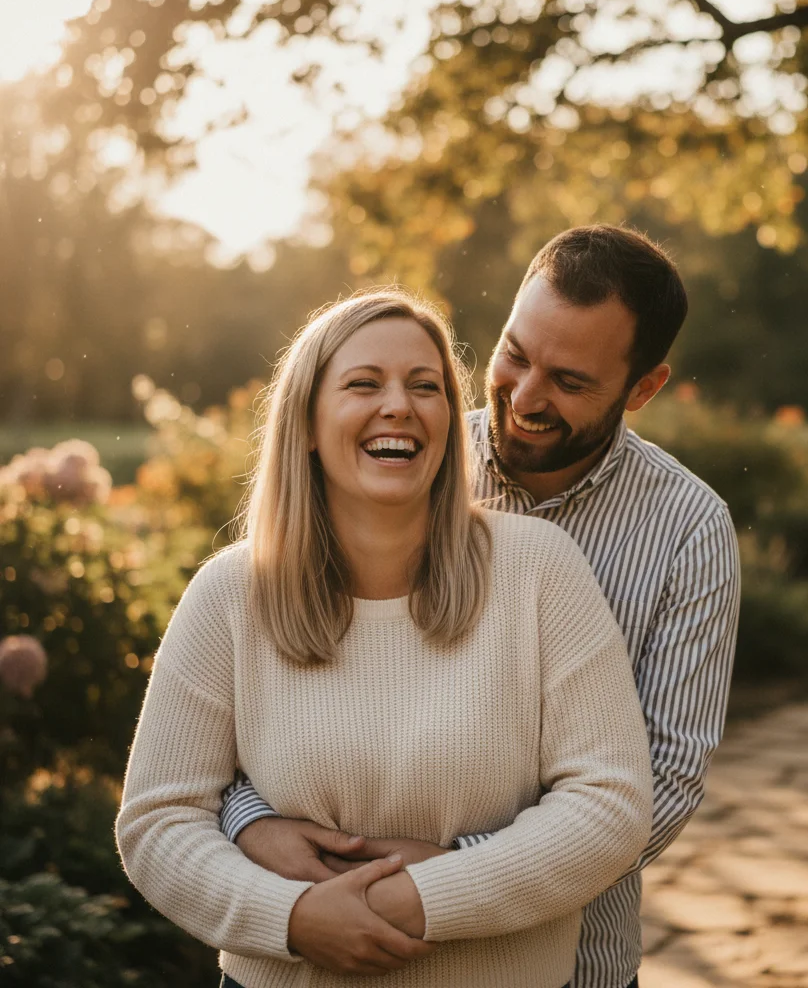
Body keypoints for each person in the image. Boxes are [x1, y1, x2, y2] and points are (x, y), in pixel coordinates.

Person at [220, 224, 742, 988]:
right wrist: (253, 824)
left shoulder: (689, 530)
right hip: (321, 940)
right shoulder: (401, 459)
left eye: (569, 381)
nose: (526, 397)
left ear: (643, 389)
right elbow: (246, 702)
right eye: (516, 356)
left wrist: (456, 878)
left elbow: (663, 777)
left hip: (565, 961)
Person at [115, 289, 654, 988]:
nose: (399, 405)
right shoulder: (229, 595)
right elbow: (159, 821)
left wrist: (418, 899)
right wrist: (295, 918)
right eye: (364, 384)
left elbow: (609, 807)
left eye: (424, 386)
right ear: (308, 423)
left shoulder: (540, 571)